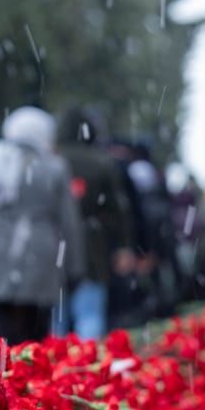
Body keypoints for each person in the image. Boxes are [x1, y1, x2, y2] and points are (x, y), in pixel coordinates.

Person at [0, 107, 84, 344]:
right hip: (40, 261)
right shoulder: (55, 167)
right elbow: (69, 225)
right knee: (30, 343)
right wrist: (74, 269)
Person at [57, 107, 136, 340]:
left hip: (56, 247)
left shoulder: (53, 159)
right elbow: (118, 210)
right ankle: (86, 368)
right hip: (93, 247)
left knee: (57, 317)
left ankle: (51, 370)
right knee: (89, 315)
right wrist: (123, 245)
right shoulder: (102, 163)